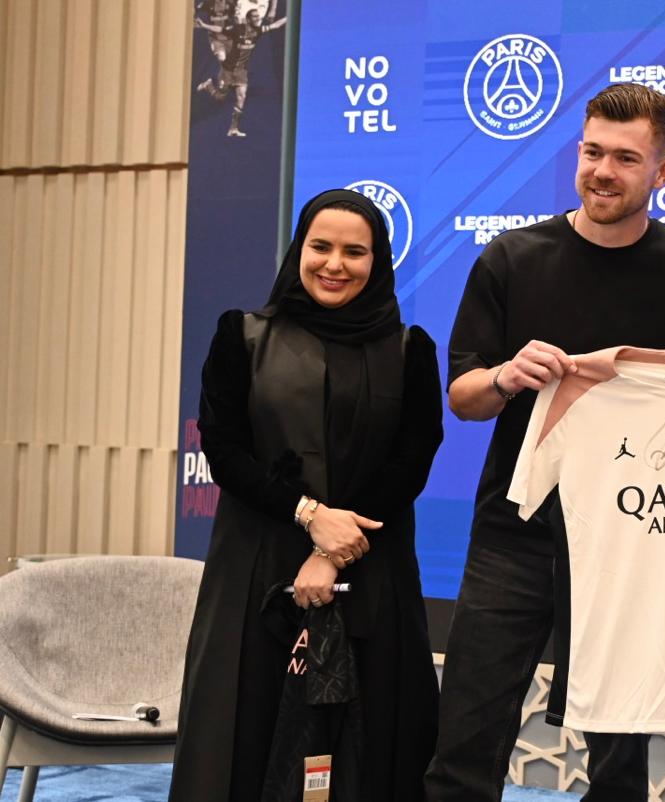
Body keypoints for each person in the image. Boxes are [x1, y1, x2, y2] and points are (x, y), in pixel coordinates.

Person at [425, 83, 665, 802]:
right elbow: (463, 397)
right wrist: (505, 377)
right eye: (592, 152)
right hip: (515, 532)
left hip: (634, 540)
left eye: (626, 158)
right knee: (466, 733)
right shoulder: (511, 257)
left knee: (620, 758)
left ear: (663, 172)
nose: (602, 171)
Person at [170, 189, 443, 802]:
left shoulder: (410, 350)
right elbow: (224, 449)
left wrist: (332, 551)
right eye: (321, 247)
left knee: (373, 743)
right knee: (242, 730)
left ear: (378, 261)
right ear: (299, 251)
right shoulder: (241, 336)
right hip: (256, 568)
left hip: (371, 567)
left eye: (354, 251)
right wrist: (309, 515)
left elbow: (411, 462)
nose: (334, 264)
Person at [194, 7, 286, 137]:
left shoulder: (258, 31)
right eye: (254, 16)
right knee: (221, 98)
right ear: (248, 20)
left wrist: (289, 18)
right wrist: (204, 25)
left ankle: (233, 128)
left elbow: (275, 25)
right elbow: (220, 29)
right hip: (227, 70)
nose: (258, 18)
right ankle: (208, 85)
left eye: (258, 16)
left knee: (241, 97)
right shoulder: (237, 30)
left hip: (241, 72)